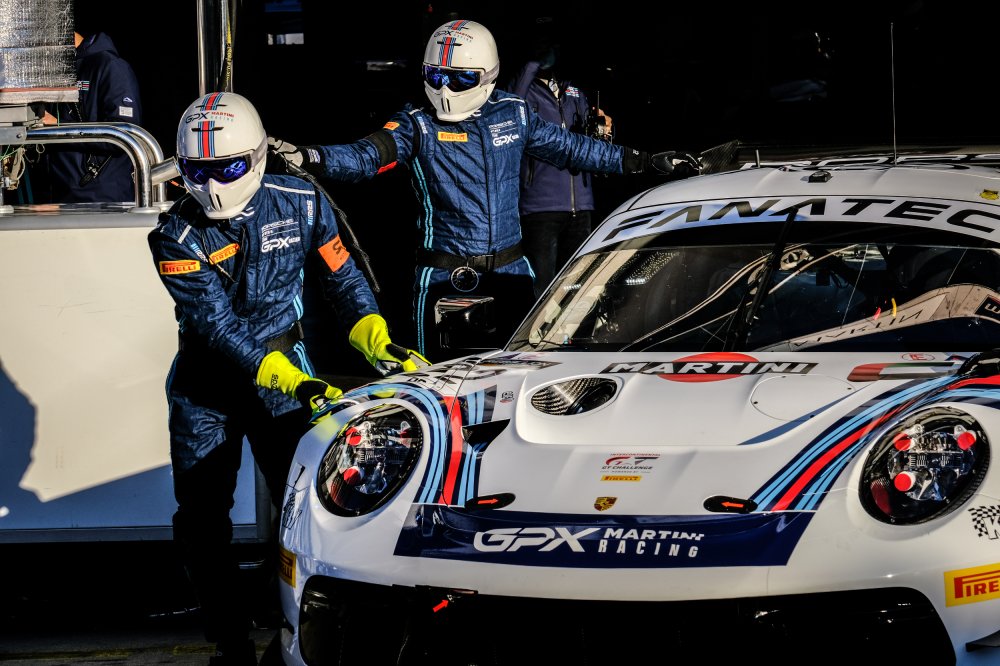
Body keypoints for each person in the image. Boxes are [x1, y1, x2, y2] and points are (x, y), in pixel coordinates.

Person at [148, 92, 425, 665]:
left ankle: (295, 626)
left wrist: (375, 338)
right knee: (202, 520)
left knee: (307, 509)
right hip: (207, 386)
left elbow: (343, 278)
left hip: (287, 376)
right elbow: (217, 328)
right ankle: (229, 643)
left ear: (255, 157)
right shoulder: (173, 235)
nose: (212, 185)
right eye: (197, 170)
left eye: (226, 169)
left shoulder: (302, 201)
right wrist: (295, 381)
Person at [269, 19, 699, 362]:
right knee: (441, 389)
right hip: (445, 277)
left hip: (512, 273)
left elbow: (576, 149)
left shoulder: (514, 113)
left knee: (519, 382)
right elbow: (364, 155)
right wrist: (308, 157)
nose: (444, 89)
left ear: (488, 77)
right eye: (435, 76)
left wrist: (645, 161)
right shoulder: (417, 123)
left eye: (459, 79)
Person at [507, 19, 613, 297]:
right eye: (540, 44)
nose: (546, 50)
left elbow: (590, 138)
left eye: (550, 44)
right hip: (540, 207)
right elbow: (509, 110)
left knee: (577, 287)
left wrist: (603, 130)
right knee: (541, 288)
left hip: (581, 206)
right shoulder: (521, 88)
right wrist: (533, 63)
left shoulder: (573, 90)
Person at [40, 30, 143, 203]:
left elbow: (124, 131)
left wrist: (57, 126)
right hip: (60, 196)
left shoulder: (110, 66)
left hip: (102, 199)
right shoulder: (56, 72)